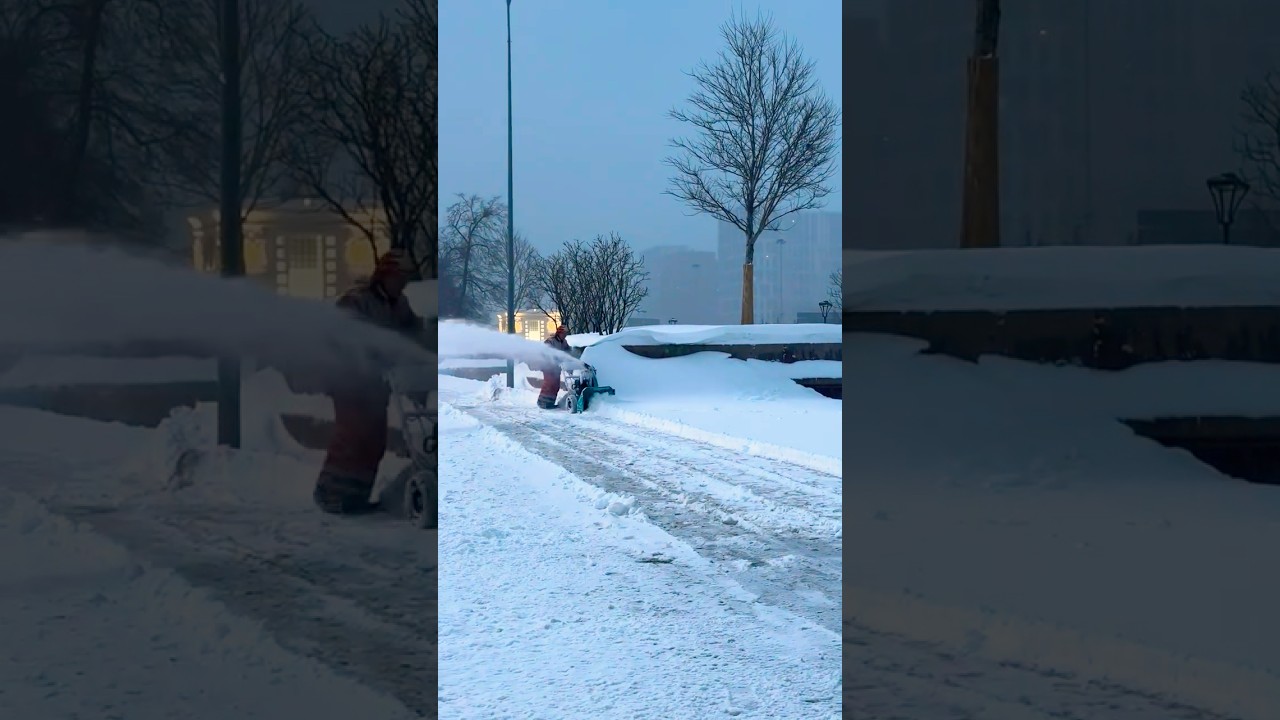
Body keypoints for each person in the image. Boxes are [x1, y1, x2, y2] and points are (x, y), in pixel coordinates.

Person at [314, 249, 428, 515]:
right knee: (353, 434)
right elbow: (339, 336)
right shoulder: (357, 301)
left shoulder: (400, 305)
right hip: (348, 380)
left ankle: (356, 497)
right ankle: (329, 494)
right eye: (398, 278)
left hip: (377, 384)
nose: (402, 284)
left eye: (405, 279)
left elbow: (412, 334)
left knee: (375, 439)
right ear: (384, 275)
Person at [537, 325, 571, 409]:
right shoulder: (550, 341)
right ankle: (541, 402)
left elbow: (568, 350)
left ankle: (550, 403)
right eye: (564, 333)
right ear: (559, 333)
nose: (565, 335)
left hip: (556, 368)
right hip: (548, 366)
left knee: (556, 385)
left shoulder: (564, 342)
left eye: (566, 334)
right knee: (549, 384)